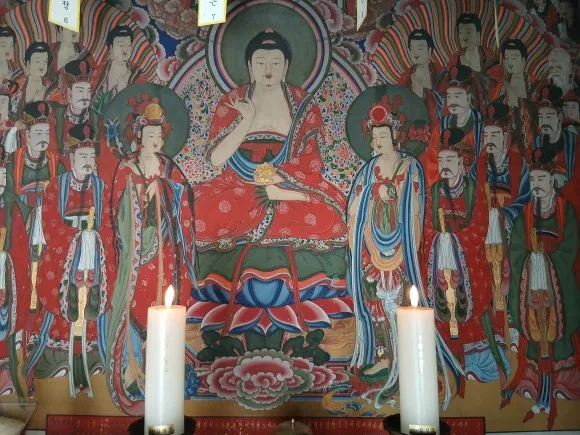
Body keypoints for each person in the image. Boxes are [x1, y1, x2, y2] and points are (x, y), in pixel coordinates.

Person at [189, 28, 351, 337]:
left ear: (286, 66)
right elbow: (216, 159)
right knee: (199, 212)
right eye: (260, 62)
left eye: (275, 63)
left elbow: (312, 161)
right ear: (249, 66)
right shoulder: (233, 101)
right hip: (237, 185)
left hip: (288, 183)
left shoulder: (301, 103)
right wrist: (245, 121)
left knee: (333, 215)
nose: (267, 70)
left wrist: (280, 177)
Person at [105, 95, 195, 414]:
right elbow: (116, 211)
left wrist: (166, 189)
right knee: (135, 308)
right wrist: (141, 194)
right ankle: (132, 373)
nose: (156, 141)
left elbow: (186, 201)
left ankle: (161, 372)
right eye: (150, 135)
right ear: (139, 137)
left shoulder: (169, 168)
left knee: (164, 307)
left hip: (165, 252)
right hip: (136, 255)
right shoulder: (126, 168)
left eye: (159, 136)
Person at [347, 94, 424, 404]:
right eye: (375, 136)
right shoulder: (368, 171)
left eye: (383, 135)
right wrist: (373, 191)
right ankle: (383, 356)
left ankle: (404, 355)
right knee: (375, 301)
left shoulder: (410, 165)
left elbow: (415, 203)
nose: (378, 141)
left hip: (401, 243)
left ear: (395, 136)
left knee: (399, 300)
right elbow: (355, 203)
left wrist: (394, 191)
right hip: (372, 243)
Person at [423, 128, 510, 397]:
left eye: (451, 160)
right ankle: (444, 359)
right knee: (439, 300)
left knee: (473, 299)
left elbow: (480, 227)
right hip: (440, 260)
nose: (445, 166)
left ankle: (475, 361)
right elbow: (426, 227)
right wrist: (439, 243)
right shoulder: (434, 191)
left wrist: (454, 243)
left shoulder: (474, 191)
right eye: (442, 160)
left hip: (468, 261)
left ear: (462, 163)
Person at [29, 123, 112, 398]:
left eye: (91, 157)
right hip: (65, 259)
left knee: (93, 310)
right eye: (82, 156)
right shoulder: (57, 186)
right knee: (63, 306)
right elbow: (50, 224)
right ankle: (58, 361)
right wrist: (77, 240)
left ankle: (94, 360)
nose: (88, 162)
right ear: (72, 157)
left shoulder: (101, 188)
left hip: (95, 262)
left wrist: (93, 241)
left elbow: (109, 225)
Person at [501, 154, 580, 430]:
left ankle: (555, 389)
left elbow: (570, 248)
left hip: (557, 288)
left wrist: (546, 261)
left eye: (541, 179)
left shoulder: (564, 211)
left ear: (552, 182)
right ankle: (540, 391)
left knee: (555, 338)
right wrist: (530, 261)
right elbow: (516, 248)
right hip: (532, 287)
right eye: (533, 179)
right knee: (537, 339)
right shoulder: (525, 213)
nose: (536, 184)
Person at [471, 102, 531, 360]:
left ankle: (514, 327)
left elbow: (526, 198)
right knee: (485, 277)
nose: (490, 140)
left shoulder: (518, 164)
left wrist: (503, 215)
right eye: (486, 135)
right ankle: (491, 331)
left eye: (495, 134)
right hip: (485, 232)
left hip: (511, 231)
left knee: (512, 275)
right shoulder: (478, 166)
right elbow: (472, 199)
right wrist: (485, 218)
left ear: (506, 136)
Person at [6, 101, 65, 313]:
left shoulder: (56, 163)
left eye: (46, 133)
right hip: (21, 224)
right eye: (38, 133)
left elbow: (62, 196)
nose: (43, 138)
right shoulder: (13, 162)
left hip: (48, 227)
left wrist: (45, 211)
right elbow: (9, 196)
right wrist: (30, 212)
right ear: (27, 134)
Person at [0, 151, 30, 397]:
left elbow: (21, 245)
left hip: (4, 277)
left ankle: (5, 377)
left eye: (3, 176)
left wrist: (6, 261)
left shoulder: (11, 207)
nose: (0, 181)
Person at [426, 65, 484, 186]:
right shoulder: (441, 127)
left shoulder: (482, 126)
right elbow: (432, 164)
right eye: (449, 97)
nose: (452, 102)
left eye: (457, 96)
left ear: (468, 98)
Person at [47, 59, 99, 158]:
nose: (85, 96)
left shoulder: (96, 120)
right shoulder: (54, 119)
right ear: (69, 93)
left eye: (88, 91)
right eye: (80, 91)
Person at [397, 29, 445, 124]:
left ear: (429, 50)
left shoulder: (441, 74)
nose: (415, 53)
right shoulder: (406, 78)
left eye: (419, 49)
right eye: (412, 49)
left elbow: (446, 104)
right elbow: (399, 105)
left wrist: (424, 94)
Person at [91, 26, 146, 108]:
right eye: (121, 45)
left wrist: (122, 91)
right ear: (111, 48)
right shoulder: (100, 71)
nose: (125, 49)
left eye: (128, 45)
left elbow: (141, 104)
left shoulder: (137, 74)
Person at [15, 42, 52, 115]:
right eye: (37, 61)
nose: (42, 65)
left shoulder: (50, 86)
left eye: (45, 61)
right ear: (28, 63)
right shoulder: (19, 84)